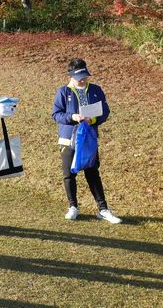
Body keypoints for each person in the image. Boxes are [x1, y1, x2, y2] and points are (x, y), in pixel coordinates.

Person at [51, 58, 121, 224]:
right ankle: (73, 206)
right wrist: (72, 117)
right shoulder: (63, 92)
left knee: (92, 172)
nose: (83, 80)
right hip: (68, 139)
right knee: (69, 174)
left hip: (89, 139)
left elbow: (105, 111)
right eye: (79, 77)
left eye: (84, 76)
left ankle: (103, 209)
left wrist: (93, 119)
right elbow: (56, 114)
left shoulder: (95, 90)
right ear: (70, 76)